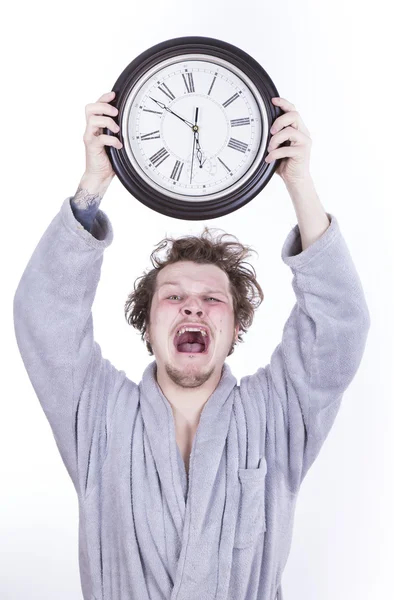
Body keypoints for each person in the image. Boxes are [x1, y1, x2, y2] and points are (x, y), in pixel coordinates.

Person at [13, 91, 370, 600]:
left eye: (211, 299)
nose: (193, 308)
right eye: (174, 295)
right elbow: (44, 317)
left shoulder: (275, 417)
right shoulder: (97, 414)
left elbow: (340, 328)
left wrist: (299, 183)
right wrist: (93, 184)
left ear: (234, 328)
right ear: (148, 322)